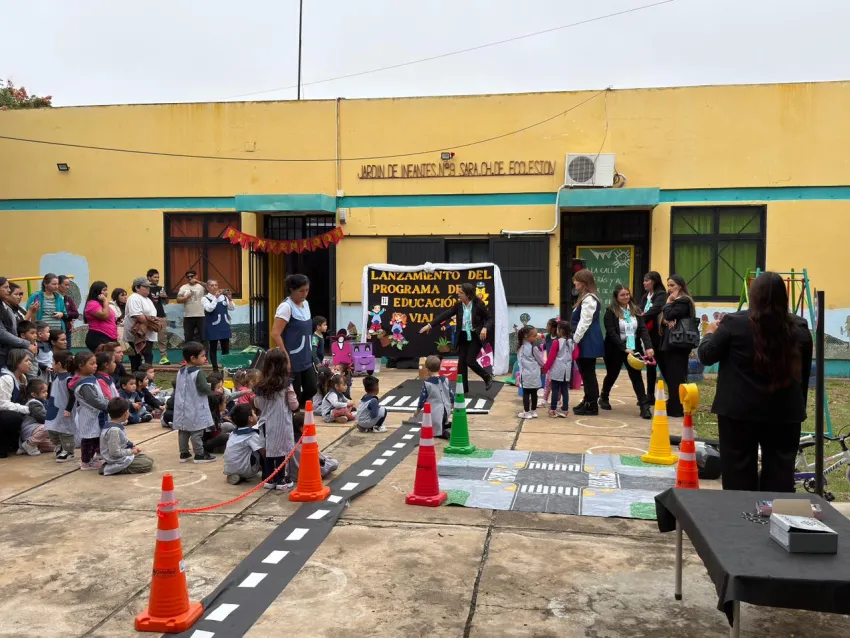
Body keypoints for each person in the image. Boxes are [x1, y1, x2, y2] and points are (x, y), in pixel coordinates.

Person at [698, 271, 813, 492]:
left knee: (738, 471)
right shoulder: (799, 328)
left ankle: (741, 512)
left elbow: (707, 355)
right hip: (784, 412)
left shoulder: (733, 323)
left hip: (739, 412)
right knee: (780, 474)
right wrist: (799, 407)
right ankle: (776, 511)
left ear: (753, 296)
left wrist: (710, 333)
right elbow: (804, 375)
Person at [420, 282, 494, 396]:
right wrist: (430, 325)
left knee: (470, 361)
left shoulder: (479, 304)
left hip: (475, 336)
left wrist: (485, 328)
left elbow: (489, 319)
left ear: (468, 295)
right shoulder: (459, 305)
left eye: (461, 293)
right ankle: (463, 390)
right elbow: (446, 314)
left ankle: (487, 376)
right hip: (463, 336)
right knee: (462, 364)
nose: (458, 295)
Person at [601, 285, 655, 419]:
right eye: (622, 295)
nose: (626, 297)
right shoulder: (610, 311)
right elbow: (611, 332)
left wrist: (648, 347)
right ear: (616, 297)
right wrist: (623, 347)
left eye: (627, 294)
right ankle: (604, 396)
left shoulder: (636, 310)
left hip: (633, 346)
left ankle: (644, 406)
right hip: (615, 348)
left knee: (636, 376)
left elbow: (642, 329)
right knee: (612, 374)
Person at [253, 349, 299, 491]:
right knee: (281, 452)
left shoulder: (260, 386)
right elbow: (294, 404)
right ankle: (280, 479)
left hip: (266, 422)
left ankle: (269, 478)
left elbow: (258, 404)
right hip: (281, 423)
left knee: (269, 450)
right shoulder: (286, 384)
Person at [271, 274, 317, 407]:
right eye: (301, 291)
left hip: (306, 355)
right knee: (294, 391)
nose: (305, 294)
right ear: (291, 289)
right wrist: (285, 357)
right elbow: (275, 334)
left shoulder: (306, 304)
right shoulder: (286, 307)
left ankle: (298, 408)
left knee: (312, 388)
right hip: (293, 356)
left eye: (307, 290)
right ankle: (293, 414)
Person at [173, 341, 219, 464]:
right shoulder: (198, 372)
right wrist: (213, 392)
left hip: (182, 408)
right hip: (195, 407)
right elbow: (203, 388)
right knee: (197, 431)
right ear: (193, 358)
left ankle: (184, 453)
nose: (205, 358)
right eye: (203, 356)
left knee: (183, 430)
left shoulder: (180, 371)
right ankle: (199, 454)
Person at [658, 274, 695, 418]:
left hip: (678, 344)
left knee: (677, 377)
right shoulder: (677, 301)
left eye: (672, 285)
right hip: (672, 343)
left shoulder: (684, 301)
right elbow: (664, 319)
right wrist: (667, 320)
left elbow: (669, 314)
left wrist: (668, 303)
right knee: (672, 376)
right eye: (668, 285)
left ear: (680, 285)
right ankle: (674, 405)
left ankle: (676, 408)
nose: (670, 288)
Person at [570, 269, 604, 416]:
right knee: (585, 372)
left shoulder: (589, 299)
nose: (575, 283)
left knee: (588, 372)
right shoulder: (585, 297)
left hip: (587, 339)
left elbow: (584, 322)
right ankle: (587, 399)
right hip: (586, 338)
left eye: (576, 280)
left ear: (583, 283)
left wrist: (575, 340)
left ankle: (591, 404)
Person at [99, 397, 154, 476]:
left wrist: (131, 445)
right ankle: (111, 469)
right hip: (116, 460)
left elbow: (123, 441)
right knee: (147, 464)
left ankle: (120, 465)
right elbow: (114, 453)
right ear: (125, 414)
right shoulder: (114, 430)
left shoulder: (116, 425)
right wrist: (131, 451)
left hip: (121, 456)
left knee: (147, 459)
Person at [72, 350, 106, 471]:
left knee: (95, 436)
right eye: (92, 363)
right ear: (81, 366)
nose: (95, 366)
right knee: (88, 438)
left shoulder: (90, 378)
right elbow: (93, 400)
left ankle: (93, 458)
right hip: (88, 414)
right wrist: (107, 406)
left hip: (95, 414)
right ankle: (85, 462)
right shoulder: (84, 384)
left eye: (95, 363)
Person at [45, 350, 77, 462]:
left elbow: (72, 396)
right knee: (52, 428)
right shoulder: (56, 376)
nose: (52, 364)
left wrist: (68, 409)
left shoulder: (69, 379)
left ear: (58, 364)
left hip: (64, 409)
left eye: (53, 362)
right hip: (54, 407)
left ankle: (69, 451)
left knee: (65, 430)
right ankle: (59, 446)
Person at [0, 349, 33, 458]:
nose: (30, 363)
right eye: (26, 360)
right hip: (3, 412)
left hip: (10, 410)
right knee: (12, 417)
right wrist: (26, 409)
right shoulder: (6, 378)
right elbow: (2, 404)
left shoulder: (22, 378)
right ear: (17, 362)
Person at [639, 271, 667, 398]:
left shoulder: (661, 295)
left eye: (647, 280)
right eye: (644, 280)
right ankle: (650, 395)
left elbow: (654, 310)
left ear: (654, 281)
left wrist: (640, 320)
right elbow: (639, 310)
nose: (644, 283)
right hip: (647, 335)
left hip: (658, 335)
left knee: (662, 364)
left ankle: (674, 395)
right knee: (650, 365)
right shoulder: (645, 297)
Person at [0, 278, 37, 372]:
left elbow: (23, 327)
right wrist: (26, 343)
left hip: (11, 348)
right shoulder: (7, 308)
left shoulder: (10, 308)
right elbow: (2, 332)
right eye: (5, 287)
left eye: (21, 294)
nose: (8, 290)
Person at [124, 277, 160, 371]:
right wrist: (154, 324)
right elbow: (137, 315)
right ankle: (142, 377)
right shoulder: (134, 298)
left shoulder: (146, 299)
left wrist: (154, 321)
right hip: (138, 335)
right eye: (145, 287)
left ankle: (145, 377)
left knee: (145, 357)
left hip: (147, 334)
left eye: (149, 287)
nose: (148, 289)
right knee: (140, 359)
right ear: (137, 288)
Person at [223, 404, 264, 485]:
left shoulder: (233, 433)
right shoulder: (251, 435)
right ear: (250, 418)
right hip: (246, 470)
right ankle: (263, 472)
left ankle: (236, 474)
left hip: (229, 468)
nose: (256, 415)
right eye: (254, 413)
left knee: (247, 449)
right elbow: (264, 452)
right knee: (261, 448)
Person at [414, 355, 453, 438]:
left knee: (432, 428)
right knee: (441, 419)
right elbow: (451, 394)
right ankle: (444, 424)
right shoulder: (446, 380)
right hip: (447, 410)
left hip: (436, 412)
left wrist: (417, 410)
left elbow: (422, 399)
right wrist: (452, 404)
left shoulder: (427, 383)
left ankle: (442, 432)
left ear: (427, 370)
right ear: (440, 367)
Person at [541, 320, 574, 418]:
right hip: (567, 370)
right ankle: (565, 410)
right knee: (565, 389)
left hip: (557, 369)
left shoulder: (556, 342)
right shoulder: (572, 342)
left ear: (561, 331)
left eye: (558, 329)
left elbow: (551, 357)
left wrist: (545, 368)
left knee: (555, 389)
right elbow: (576, 355)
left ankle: (553, 409)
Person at [202, 279, 234, 373]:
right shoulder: (205, 298)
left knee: (225, 348)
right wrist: (215, 298)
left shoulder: (224, 297)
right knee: (213, 348)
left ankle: (225, 369)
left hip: (224, 324)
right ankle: (215, 369)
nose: (214, 287)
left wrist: (230, 299)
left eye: (216, 285)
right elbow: (209, 309)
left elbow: (232, 308)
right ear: (207, 288)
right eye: (212, 285)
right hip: (212, 326)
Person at [19, 378, 53, 455]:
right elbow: (41, 417)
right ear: (34, 394)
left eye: (47, 391)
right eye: (44, 392)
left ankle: (29, 448)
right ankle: (29, 444)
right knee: (49, 426)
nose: (46, 393)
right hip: (29, 429)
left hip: (36, 430)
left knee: (54, 446)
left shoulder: (43, 402)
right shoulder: (33, 403)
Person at [517, 325, 545, 419]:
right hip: (535, 375)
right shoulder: (534, 348)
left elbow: (520, 362)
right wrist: (543, 367)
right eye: (534, 335)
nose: (536, 337)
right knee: (534, 393)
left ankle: (527, 412)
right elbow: (541, 361)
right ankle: (533, 411)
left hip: (525, 375)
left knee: (526, 393)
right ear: (526, 336)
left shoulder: (520, 348)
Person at [83, 281, 118, 352]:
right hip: (99, 336)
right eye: (104, 290)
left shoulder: (103, 304)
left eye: (106, 290)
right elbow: (105, 316)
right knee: (104, 357)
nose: (106, 292)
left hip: (110, 336)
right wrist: (105, 300)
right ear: (97, 292)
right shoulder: (92, 304)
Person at [147, 269, 171, 364]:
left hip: (161, 315)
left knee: (162, 338)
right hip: (149, 317)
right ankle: (146, 357)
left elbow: (166, 302)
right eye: (155, 277)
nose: (157, 279)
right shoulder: (145, 288)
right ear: (149, 278)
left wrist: (165, 296)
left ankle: (163, 358)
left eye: (158, 277)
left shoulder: (161, 288)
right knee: (147, 338)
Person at [177, 270, 207, 346]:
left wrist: (198, 281)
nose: (190, 278)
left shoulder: (201, 286)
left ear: (196, 276)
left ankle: (205, 353)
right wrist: (185, 298)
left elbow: (210, 287)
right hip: (188, 316)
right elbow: (178, 300)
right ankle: (188, 353)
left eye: (192, 276)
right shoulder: (183, 287)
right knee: (188, 337)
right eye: (188, 277)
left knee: (203, 337)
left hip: (201, 315)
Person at [58, 275, 79, 348]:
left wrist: (65, 314)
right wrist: (67, 315)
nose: (67, 287)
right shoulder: (53, 299)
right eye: (66, 285)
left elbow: (76, 314)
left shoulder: (68, 298)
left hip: (67, 329)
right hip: (56, 330)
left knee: (67, 351)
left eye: (68, 285)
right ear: (59, 285)